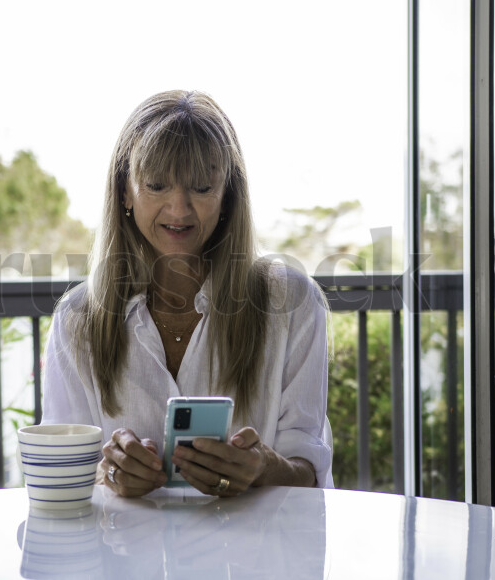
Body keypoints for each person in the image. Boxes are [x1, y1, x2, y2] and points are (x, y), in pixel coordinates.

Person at [41, 90, 333, 497]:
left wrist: (264, 467)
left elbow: (310, 468)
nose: (178, 209)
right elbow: (63, 473)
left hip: (255, 558)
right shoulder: (77, 321)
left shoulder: (290, 303)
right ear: (125, 191)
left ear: (227, 195)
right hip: (123, 558)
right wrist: (109, 472)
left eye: (200, 187)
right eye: (157, 185)